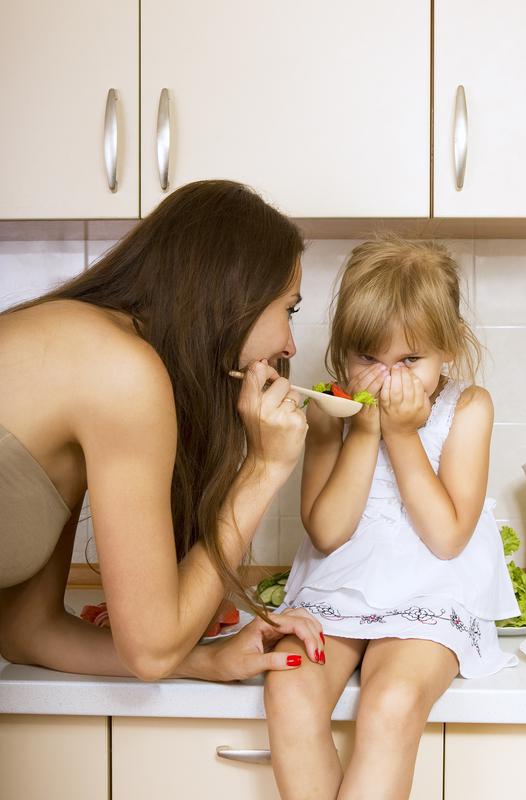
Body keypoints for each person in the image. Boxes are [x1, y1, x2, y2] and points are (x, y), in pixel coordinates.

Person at [0, 179, 326, 682]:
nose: (289, 346)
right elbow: (151, 651)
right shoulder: (120, 371)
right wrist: (263, 468)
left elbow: (26, 631)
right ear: (232, 292)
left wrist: (201, 659)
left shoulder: (90, 355)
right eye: (289, 309)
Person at [264, 236, 520, 800]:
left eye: (409, 360)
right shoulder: (332, 410)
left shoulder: (468, 409)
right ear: (342, 352)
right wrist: (364, 427)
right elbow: (328, 532)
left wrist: (403, 434)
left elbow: (448, 537)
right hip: (340, 584)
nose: (386, 380)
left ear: (447, 350)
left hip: (432, 590)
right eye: (368, 359)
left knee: (391, 701)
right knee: (288, 687)